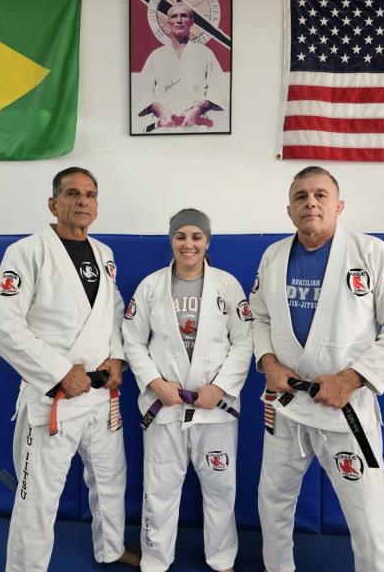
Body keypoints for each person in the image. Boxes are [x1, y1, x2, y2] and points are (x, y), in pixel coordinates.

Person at [250, 166, 384, 572]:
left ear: (338, 206)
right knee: (272, 501)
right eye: (301, 196)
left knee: (370, 516)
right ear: (289, 210)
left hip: (345, 409)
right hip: (287, 405)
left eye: (320, 195)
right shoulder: (273, 257)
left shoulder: (371, 253)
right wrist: (268, 363)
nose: (311, 203)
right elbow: (259, 317)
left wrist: (350, 379)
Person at [0, 167, 140, 571]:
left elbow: (112, 313)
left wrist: (116, 357)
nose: (82, 201)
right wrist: (60, 371)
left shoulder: (104, 254)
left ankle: (111, 548)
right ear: (53, 203)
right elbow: (4, 329)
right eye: (72, 193)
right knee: (38, 498)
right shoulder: (26, 252)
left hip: (100, 396)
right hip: (52, 398)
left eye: (90, 194)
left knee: (111, 481)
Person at [122, 208, 253, 572]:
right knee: (159, 488)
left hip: (214, 410)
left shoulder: (227, 285)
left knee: (221, 487)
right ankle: (155, 560)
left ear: (207, 242)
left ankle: (222, 559)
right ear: (171, 240)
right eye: (181, 236)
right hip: (165, 407)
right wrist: (156, 384)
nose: (188, 244)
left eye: (196, 236)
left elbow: (244, 341)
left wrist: (221, 388)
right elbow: (132, 340)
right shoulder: (150, 287)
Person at [136, 3, 227, 133]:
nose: (179, 20)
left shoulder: (205, 53)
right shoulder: (156, 55)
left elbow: (218, 89)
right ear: (168, 21)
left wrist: (197, 110)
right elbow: (143, 91)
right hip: (164, 126)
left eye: (184, 16)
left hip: (197, 127)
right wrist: (161, 111)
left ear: (191, 21)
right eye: (174, 16)